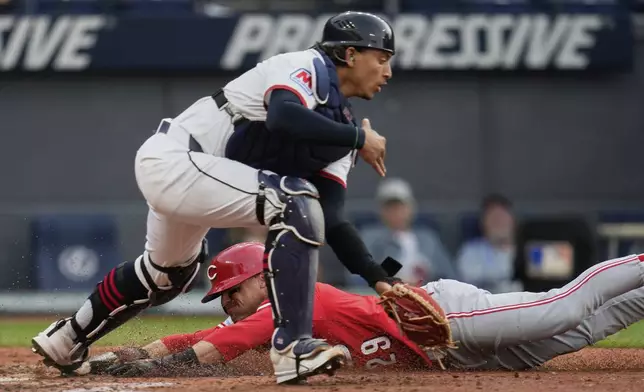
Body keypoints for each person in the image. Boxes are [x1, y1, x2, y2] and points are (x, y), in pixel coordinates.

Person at [31, 11, 402, 385]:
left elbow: (333, 219)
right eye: (382, 58)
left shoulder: (343, 134)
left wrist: (381, 278)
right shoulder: (305, 65)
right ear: (351, 55)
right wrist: (358, 139)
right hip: (176, 157)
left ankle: (67, 339)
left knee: (167, 274)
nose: (387, 72)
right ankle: (292, 348)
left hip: (199, 179)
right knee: (293, 201)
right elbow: (284, 117)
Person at [84, 242, 644, 375]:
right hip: (450, 362)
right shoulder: (263, 317)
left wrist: (154, 366)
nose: (227, 302)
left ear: (262, 276)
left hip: (444, 319)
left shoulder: (287, 302)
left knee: (567, 308)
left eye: (232, 290)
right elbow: (198, 338)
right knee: (596, 325)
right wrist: (126, 353)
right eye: (222, 297)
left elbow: (211, 349)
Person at [351, 178, 457, 287]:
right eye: (390, 208)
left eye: (400, 207)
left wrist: (427, 278)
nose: (396, 213)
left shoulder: (427, 238)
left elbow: (450, 275)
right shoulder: (370, 237)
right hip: (387, 296)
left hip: (427, 295)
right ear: (381, 211)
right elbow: (356, 278)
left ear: (411, 208)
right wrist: (397, 279)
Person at [456, 193, 519, 293]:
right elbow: (469, 283)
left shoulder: (529, 249)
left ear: (513, 220)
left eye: (502, 217)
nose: (499, 222)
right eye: (494, 219)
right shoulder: (471, 251)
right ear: (483, 224)